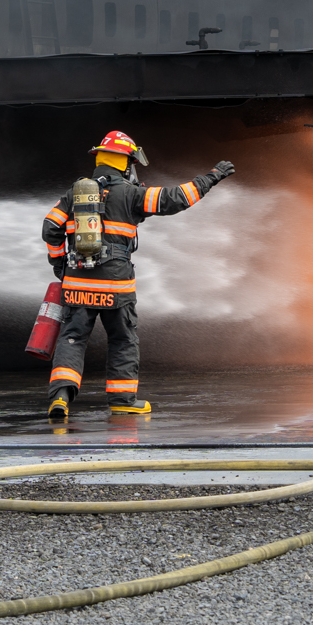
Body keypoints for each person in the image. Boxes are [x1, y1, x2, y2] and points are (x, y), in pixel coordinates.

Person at [41, 130, 234, 420]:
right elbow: (176, 198)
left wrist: (58, 263)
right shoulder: (132, 194)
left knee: (73, 338)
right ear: (125, 163)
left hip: (77, 281)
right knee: (122, 338)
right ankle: (122, 400)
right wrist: (212, 176)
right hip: (116, 284)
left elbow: (50, 227)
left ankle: (61, 399)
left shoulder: (75, 193)